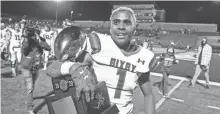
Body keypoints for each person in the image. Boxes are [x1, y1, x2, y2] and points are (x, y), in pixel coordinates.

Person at [47, 7, 157, 114]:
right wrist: (74, 68)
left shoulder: (144, 57)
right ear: (111, 27)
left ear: (135, 27)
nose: (121, 27)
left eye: (127, 22)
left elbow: (148, 95)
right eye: (116, 22)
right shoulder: (97, 45)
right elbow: (51, 68)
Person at [20, 27, 51, 114]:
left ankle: (29, 97)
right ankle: (30, 108)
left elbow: (48, 48)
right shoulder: (26, 41)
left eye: (34, 34)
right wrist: (26, 39)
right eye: (31, 34)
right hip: (26, 67)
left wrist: (39, 40)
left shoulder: (41, 40)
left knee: (31, 86)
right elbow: (24, 50)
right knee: (30, 87)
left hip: (36, 67)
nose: (32, 36)